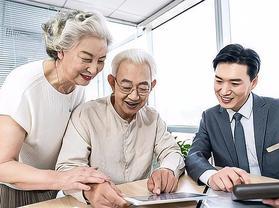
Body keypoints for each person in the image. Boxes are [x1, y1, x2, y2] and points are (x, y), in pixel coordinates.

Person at [0, 10, 112, 207]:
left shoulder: (77, 86)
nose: (94, 69)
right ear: (61, 50)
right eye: (86, 58)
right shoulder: (24, 86)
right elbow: (2, 165)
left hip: (51, 188)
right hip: (14, 191)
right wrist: (62, 178)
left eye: (101, 60)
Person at [185, 44, 279, 207]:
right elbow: (194, 156)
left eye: (235, 83)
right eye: (218, 81)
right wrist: (211, 175)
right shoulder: (209, 117)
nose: (224, 91)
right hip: (232, 201)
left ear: (253, 82)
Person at [56, 48, 185, 207]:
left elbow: (172, 151)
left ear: (152, 86)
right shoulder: (86, 114)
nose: (134, 96)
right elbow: (68, 167)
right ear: (112, 82)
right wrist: (91, 190)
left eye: (143, 88)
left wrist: (168, 170)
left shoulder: (153, 118)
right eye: (126, 86)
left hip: (137, 202)